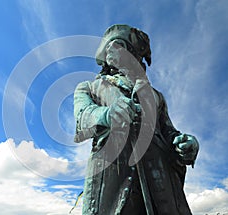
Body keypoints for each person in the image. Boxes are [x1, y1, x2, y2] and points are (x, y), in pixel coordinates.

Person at [73, 24, 199, 215]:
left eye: (118, 46)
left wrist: (183, 144)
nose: (111, 50)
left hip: (159, 179)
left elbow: (168, 132)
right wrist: (107, 115)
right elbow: (83, 116)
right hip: (114, 175)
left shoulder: (156, 96)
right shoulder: (89, 87)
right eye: (108, 47)